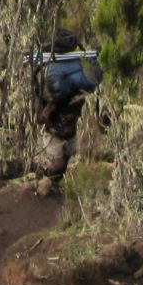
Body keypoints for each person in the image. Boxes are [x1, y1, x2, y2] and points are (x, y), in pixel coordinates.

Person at [33, 30, 91, 196]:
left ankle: (49, 186)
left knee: (65, 162)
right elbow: (42, 114)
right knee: (58, 163)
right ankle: (41, 186)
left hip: (68, 130)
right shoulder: (52, 91)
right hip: (54, 132)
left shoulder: (71, 91)